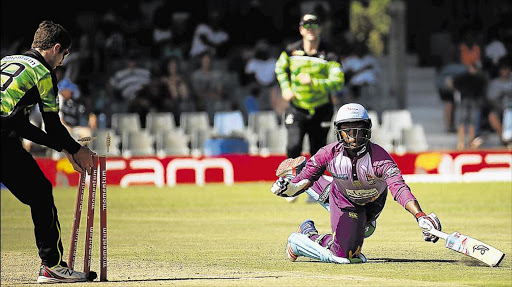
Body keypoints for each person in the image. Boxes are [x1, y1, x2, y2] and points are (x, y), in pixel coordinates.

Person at [270, 103, 442, 264]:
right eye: (347, 131)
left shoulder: (380, 159)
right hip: (341, 199)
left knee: (360, 237)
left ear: (367, 130)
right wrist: (288, 187)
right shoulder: (328, 153)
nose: (352, 136)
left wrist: (420, 216)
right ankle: (297, 242)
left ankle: (309, 231)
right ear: (339, 131)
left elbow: (399, 188)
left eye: (358, 130)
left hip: (369, 207)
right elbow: (303, 182)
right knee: (345, 257)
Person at [1, 20, 96, 283]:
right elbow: (52, 125)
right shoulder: (43, 72)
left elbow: (18, 123)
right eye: (64, 55)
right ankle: (52, 265)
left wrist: (66, 149)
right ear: (56, 48)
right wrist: (78, 149)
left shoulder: (7, 60)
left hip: (6, 131)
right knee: (41, 193)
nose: (62, 62)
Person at [275, 12, 344, 202]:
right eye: (306, 26)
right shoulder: (290, 51)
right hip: (297, 107)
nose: (310, 29)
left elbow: (338, 82)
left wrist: (314, 82)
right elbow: (280, 69)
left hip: (321, 108)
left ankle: (315, 189)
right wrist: (286, 88)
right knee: (293, 146)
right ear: (301, 30)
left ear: (320, 29)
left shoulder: (330, 54)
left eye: (314, 25)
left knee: (318, 151)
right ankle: (289, 186)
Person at [448, 64, 488, 150]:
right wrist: (457, 92)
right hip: (464, 100)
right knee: (462, 121)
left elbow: (481, 89)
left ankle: (470, 142)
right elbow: (453, 83)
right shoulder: (463, 77)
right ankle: (461, 142)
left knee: (472, 122)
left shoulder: (478, 79)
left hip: (473, 101)